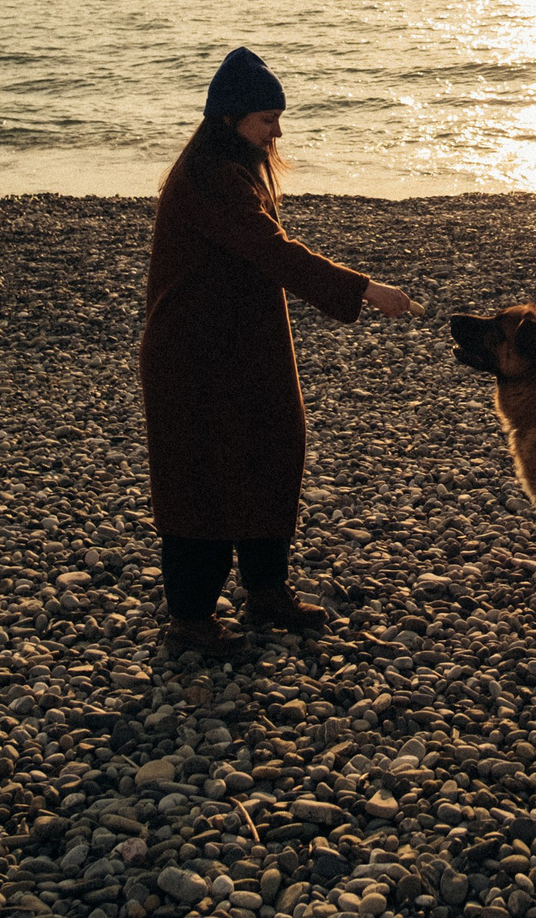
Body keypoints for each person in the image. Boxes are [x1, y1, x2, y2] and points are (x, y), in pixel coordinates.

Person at [138, 45, 414, 656]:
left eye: (277, 118)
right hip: (194, 354)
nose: (277, 131)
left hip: (244, 345)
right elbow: (274, 252)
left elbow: (265, 254)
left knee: (272, 452)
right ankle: (190, 623)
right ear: (228, 120)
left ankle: (267, 593)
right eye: (267, 120)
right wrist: (364, 289)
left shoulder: (234, 165)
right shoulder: (209, 178)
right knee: (200, 479)